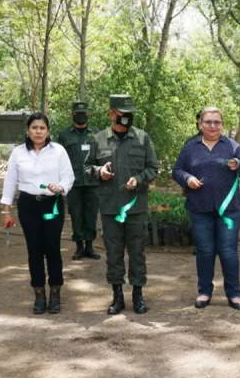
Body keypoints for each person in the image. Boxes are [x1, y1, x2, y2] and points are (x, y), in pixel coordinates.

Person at [84, 94, 158, 315]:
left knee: (137, 252)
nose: (127, 118)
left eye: (130, 114)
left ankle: (138, 295)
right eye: (123, 114)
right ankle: (117, 296)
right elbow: (87, 169)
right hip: (110, 207)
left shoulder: (142, 138)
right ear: (112, 114)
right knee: (113, 252)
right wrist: (100, 172)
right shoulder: (99, 140)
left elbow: (153, 168)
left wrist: (139, 178)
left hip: (136, 208)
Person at [173, 107, 240, 309]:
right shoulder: (190, 147)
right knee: (205, 251)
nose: (212, 126)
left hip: (228, 210)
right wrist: (187, 178)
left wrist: (238, 164)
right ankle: (204, 292)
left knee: (228, 252)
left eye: (217, 122)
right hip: (199, 208)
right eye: (208, 122)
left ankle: (234, 294)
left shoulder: (232, 146)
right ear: (200, 124)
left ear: (222, 124)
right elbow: (177, 170)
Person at [1, 112, 74, 314]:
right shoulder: (18, 153)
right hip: (28, 206)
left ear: (47, 130)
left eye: (42, 128)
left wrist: (60, 187)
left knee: (52, 248)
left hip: (52, 205)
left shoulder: (58, 151)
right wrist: (5, 210)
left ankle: (56, 292)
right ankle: (39, 293)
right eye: (34, 128)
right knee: (34, 250)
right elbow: (10, 182)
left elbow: (69, 176)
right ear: (28, 130)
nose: (38, 132)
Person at [56, 102, 101, 261]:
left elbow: (102, 157)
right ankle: (79, 247)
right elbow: (58, 159)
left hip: (93, 182)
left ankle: (89, 246)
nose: (80, 115)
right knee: (75, 214)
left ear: (88, 114)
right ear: (72, 114)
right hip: (73, 183)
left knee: (91, 214)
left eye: (83, 112)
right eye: (77, 112)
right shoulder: (64, 135)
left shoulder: (96, 133)